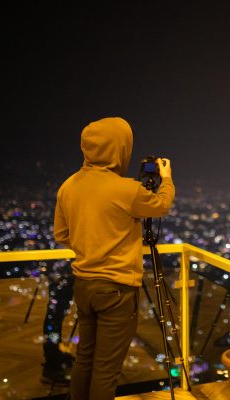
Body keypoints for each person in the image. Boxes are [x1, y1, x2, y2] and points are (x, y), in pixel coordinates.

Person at [53, 116, 175, 400]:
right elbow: (161, 205)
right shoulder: (125, 189)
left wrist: (92, 243)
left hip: (83, 284)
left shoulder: (68, 186)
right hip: (117, 289)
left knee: (85, 359)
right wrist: (166, 179)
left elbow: (62, 234)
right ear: (120, 148)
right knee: (106, 370)